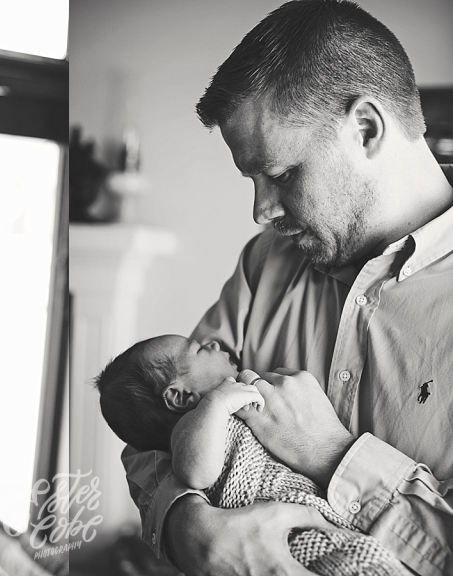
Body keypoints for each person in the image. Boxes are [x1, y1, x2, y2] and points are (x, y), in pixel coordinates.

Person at [119, 2, 453, 576]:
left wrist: (330, 456)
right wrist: (182, 527)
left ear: (366, 129)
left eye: (280, 174)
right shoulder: (264, 264)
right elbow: (150, 430)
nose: (260, 211)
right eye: (251, 180)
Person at [97, 335, 410, 576]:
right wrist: (216, 405)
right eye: (201, 349)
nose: (216, 342)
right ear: (179, 396)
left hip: (317, 509)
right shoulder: (190, 429)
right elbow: (197, 473)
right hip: (280, 534)